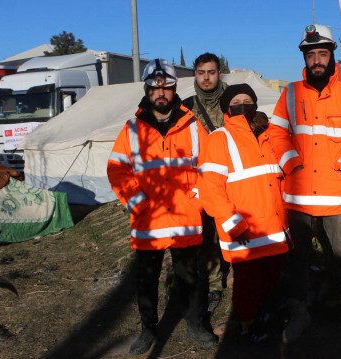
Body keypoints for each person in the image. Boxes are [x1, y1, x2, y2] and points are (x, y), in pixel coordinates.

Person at [267, 24, 341, 351]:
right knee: (297, 261)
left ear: (332, 57)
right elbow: (275, 135)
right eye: (311, 54)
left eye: (322, 54)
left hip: (337, 197)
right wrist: (292, 164)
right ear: (305, 57)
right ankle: (300, 311)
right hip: (298, 198)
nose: (316, 60)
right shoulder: (289, 93)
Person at [107, 58, 218, 354]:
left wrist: (197, 199)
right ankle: (148, 330)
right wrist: (138, 203)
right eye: (155, 89)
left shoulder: (193, 126)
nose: (161, 94)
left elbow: (210, 168)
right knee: (146, 280)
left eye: (167, 88)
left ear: (174, 88)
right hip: (149, 222)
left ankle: (195, 324)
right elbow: (117, 169)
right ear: (147, 90)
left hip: (185, 219)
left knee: (190, 277)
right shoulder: (132, 130)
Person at [198, 84, 290, 345]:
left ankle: (263, 314)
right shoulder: (220, 138)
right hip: (245, 230)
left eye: (247, 99)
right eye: (236, 100)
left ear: (255, 103)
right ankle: (248, 324)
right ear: (227, 107)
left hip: (273, 227)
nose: (242, 104)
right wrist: (234, 224)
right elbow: (210, 189)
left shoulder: (268, 134)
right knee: (247, 283)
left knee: (272, 276)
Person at [182, 52, 229, 316]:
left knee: (238, 226)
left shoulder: (234, 100)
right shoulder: (186, 107)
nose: (206, 77)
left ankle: (246, 274)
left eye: (211, 72)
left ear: (219, 73)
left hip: (233, 178)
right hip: (202, 180)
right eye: (201, 73)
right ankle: (214, 286)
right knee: (207, 236)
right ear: (196, 75)